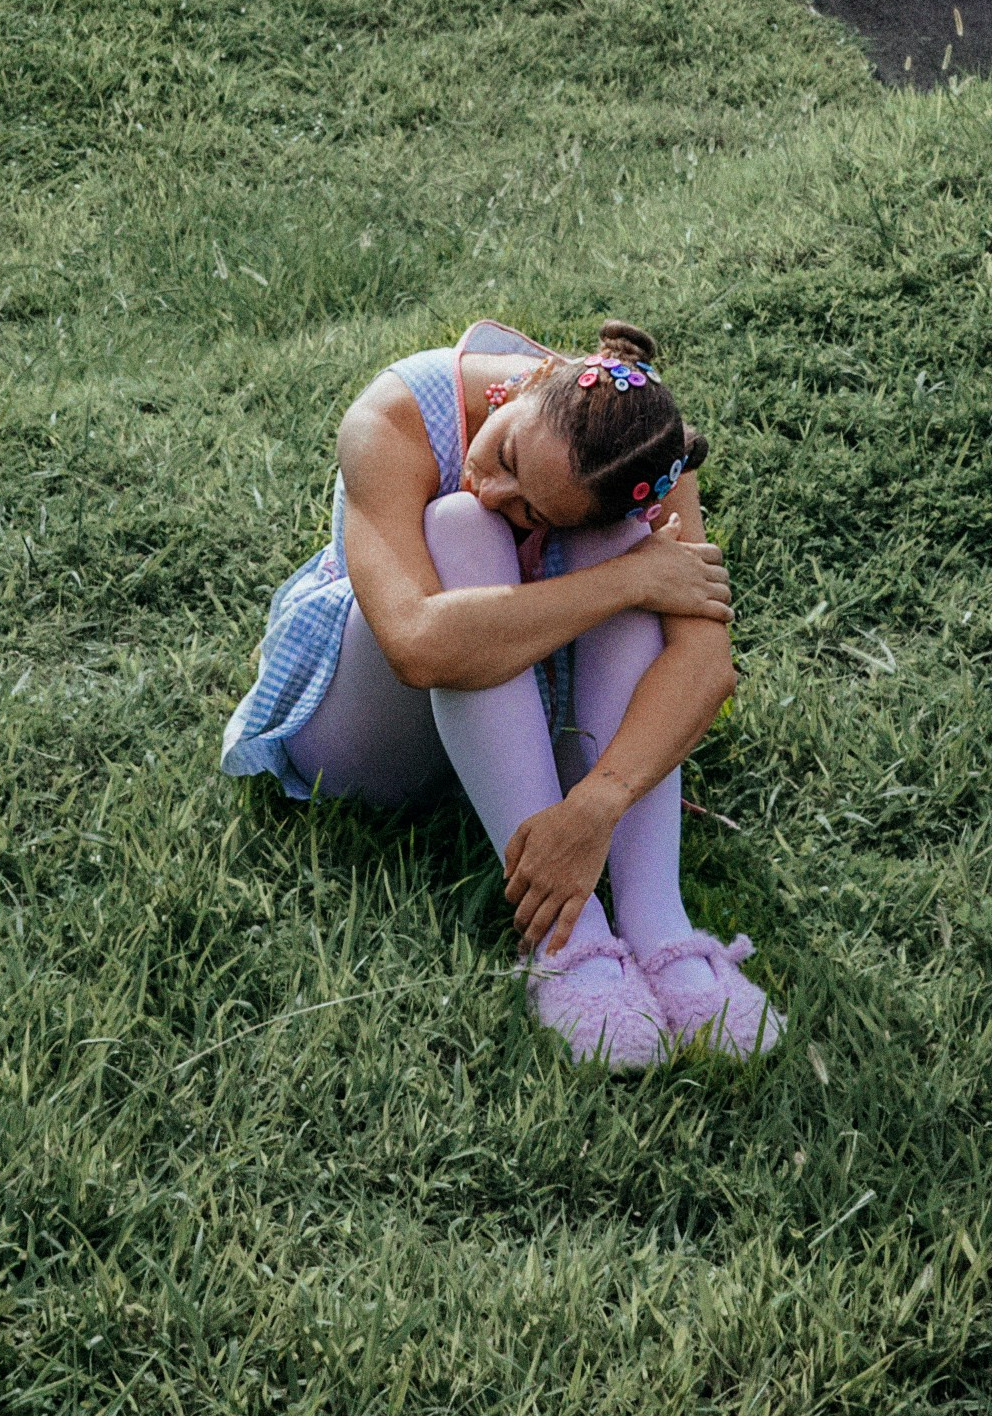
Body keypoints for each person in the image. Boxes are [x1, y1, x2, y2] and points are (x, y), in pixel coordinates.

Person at [222, 318, 778, 1070]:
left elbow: (705, 666)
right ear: (527, 381)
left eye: (531, 511)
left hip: (521, 730)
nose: (495, 484)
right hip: (366, 727)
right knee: (464, 522)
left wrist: (596, 804)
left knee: (621, 535)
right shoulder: (391, 416)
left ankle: (659, 928)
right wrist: (630, 576)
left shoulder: (644, 449)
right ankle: (568, 945)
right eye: (509, 455)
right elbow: (417, 645)